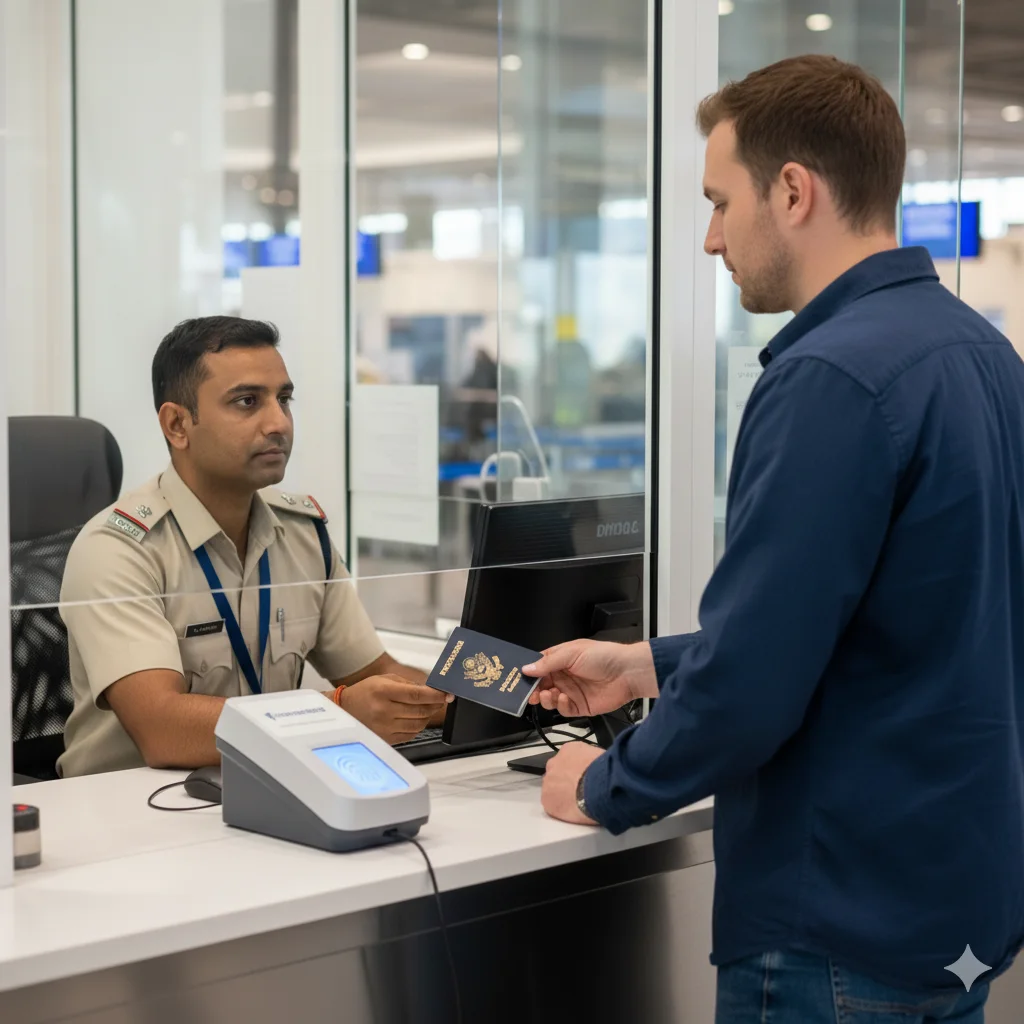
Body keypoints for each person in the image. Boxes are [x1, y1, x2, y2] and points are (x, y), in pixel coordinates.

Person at [524, 55, 1024, 1023]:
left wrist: (606, 783)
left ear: (792, 191)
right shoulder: (985, 357)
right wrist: (647, 664)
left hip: (834, 926)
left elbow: (755, 683)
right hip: (952, 916)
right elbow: (903, 624)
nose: (711, 240)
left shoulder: (830, 378)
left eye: (719, 202)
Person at [58, 316, 450, 777]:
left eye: (283, 399)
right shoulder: (119, 550)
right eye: (247, 402)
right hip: (130, 812)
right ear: (178, 424)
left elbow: (373, 672)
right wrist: (339, 710)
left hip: (265, 787)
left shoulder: (303, 532)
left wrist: (504, 689)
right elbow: (162, 728)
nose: (278, 423)